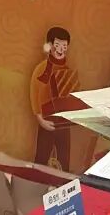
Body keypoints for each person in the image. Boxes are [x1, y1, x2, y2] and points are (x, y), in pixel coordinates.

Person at [30, 26, 79, 170]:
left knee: (64, 159)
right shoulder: (42, 68)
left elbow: (72, 96)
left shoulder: (68, 71)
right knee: (41, 157)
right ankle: (36, 182)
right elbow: (34, 93)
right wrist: (40, 119)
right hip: (47, 119)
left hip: (63, 123)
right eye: (57, 45)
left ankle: (63, 183)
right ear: (50, 45)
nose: (60, 49)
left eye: (64, 45)